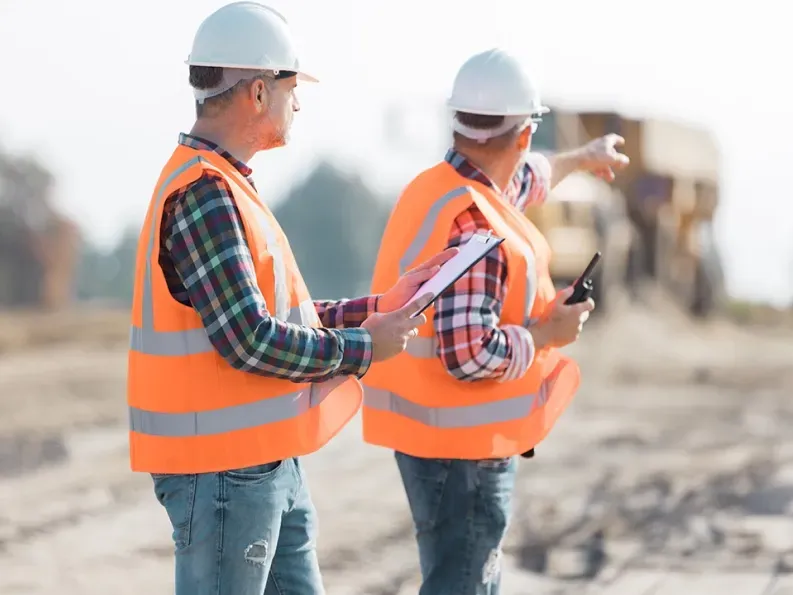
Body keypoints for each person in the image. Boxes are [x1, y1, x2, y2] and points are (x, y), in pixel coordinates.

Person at [126, 3, 454, 594]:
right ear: (256, 92)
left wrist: (378, 308)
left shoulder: (226, 187)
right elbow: (249, 339)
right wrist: (360, 348)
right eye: (291, 86)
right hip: (223, 474)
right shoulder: (205, 193)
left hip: (262, 462)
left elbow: (282, 317)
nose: (297, 102)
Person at [362, 48, 629, 594]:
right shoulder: (474, 225)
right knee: (464, 583)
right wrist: (547, 334)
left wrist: (582, 156)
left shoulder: (443, 189)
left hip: (430, 438)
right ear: (526, 131)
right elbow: (470, 354)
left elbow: (528, 178)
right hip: (462, 451)